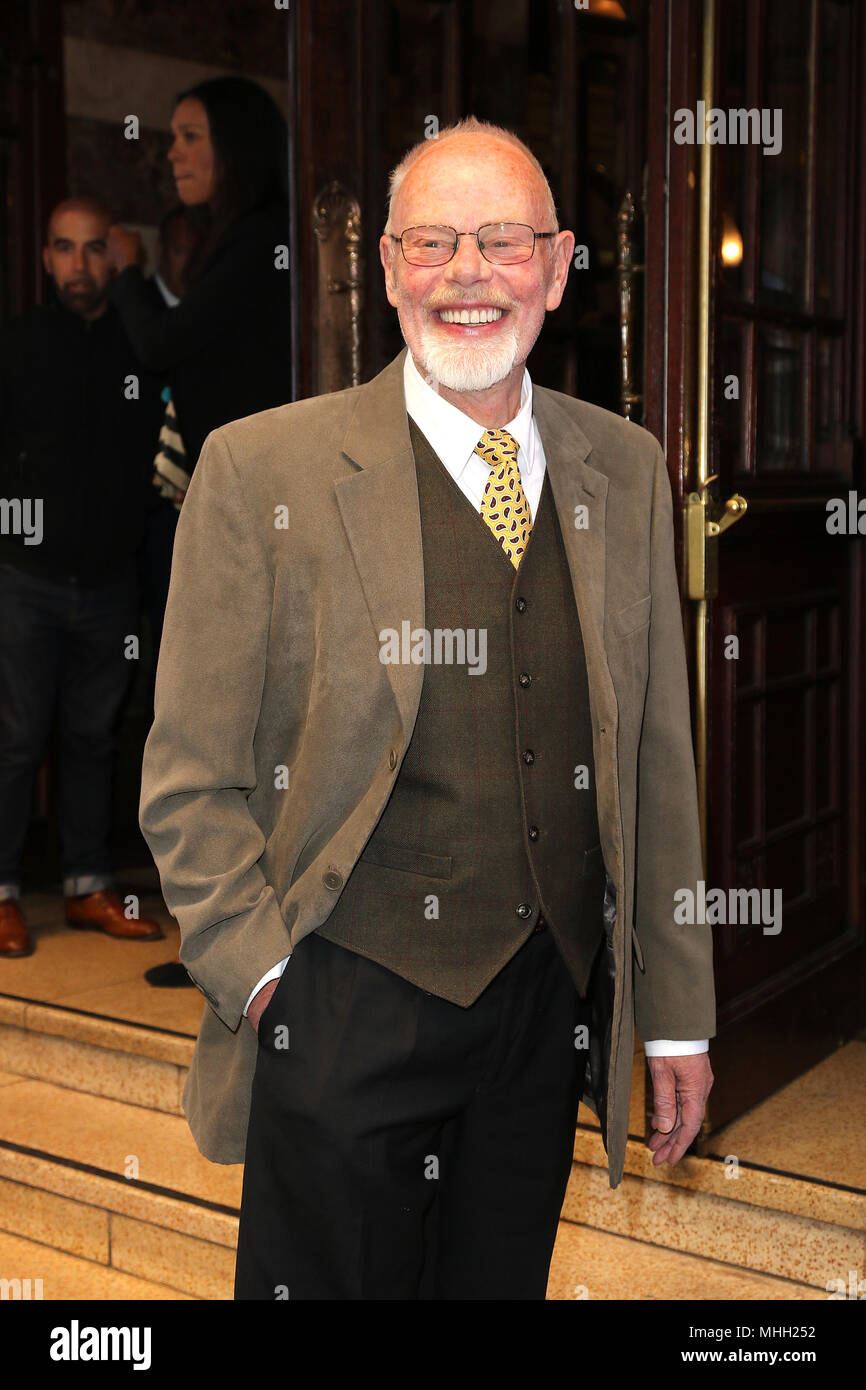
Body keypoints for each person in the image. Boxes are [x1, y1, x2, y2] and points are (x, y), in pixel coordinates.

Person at [139, 119, 716, 1301]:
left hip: (539, 1012)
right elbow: (188, 776)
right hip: (338, 1000)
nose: (467, 273)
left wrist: (671, 1015)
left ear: (557, 269)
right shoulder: (261, 471)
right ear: (389, 268)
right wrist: (263, 980)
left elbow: (656, 765)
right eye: (433, 242)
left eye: (501, 241)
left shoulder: (624, 466)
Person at [0, 197, 165, 957]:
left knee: (94, 737)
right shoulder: (21, 342)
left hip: (109, 580)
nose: (78, 264)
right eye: (64, 248)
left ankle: (87, 884)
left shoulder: (141, 339)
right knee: (15, 737)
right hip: (25, 576)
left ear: (116, 256)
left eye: (94, 249)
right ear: (45, 258)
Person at [105, 75, 292, 477]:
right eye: (175, 137)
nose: (172, 153)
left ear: (234, 146)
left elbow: (161, 344)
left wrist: (126, 269)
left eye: (190, 137)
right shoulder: (235, 234)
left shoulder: (262, 237)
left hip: (259, 475)